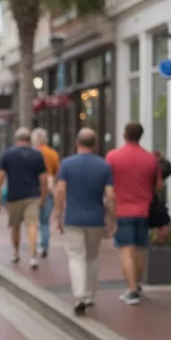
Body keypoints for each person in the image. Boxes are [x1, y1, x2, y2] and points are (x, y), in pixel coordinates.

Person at [54, 128, 115, 316]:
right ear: (95, 144)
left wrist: (58, 214)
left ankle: (79, 295)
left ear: (76, 143)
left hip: (73, 218)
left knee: (76, 256)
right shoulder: (104, 166)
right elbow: (110, 195)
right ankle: (89, 295)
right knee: (92, 256)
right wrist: (112, 218)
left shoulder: (67, 164)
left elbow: (60, 191)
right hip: (95, 219)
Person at [105, 122, 161, 305]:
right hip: (144, 209)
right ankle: (137, 283)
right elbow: (159, 186)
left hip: (123, 210)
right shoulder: (150, 158)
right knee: (139, 249)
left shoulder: (113, 157)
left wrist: (110, 213)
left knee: (126, 250)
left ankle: (132, 290)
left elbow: (108, 187)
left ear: (124, 135)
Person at [0, 127, 47, 267]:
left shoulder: (8, 154)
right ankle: (33, 256)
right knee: (32, 225)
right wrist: (43, 195)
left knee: (15, 226)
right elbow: (43, 178)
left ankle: (16, 253)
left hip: (14, 195)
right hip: (32, 195)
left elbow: (0, 176)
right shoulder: (37, 154)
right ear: (29, 140)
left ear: (16, 139)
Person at [31, 128, 60, 258]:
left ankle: (36, 244)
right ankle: (45, 246)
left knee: (33, 221)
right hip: (48, 189)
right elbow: (57, 173)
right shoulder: (53, 154)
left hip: (33, 189)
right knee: (45, 221)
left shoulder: (32, 153)